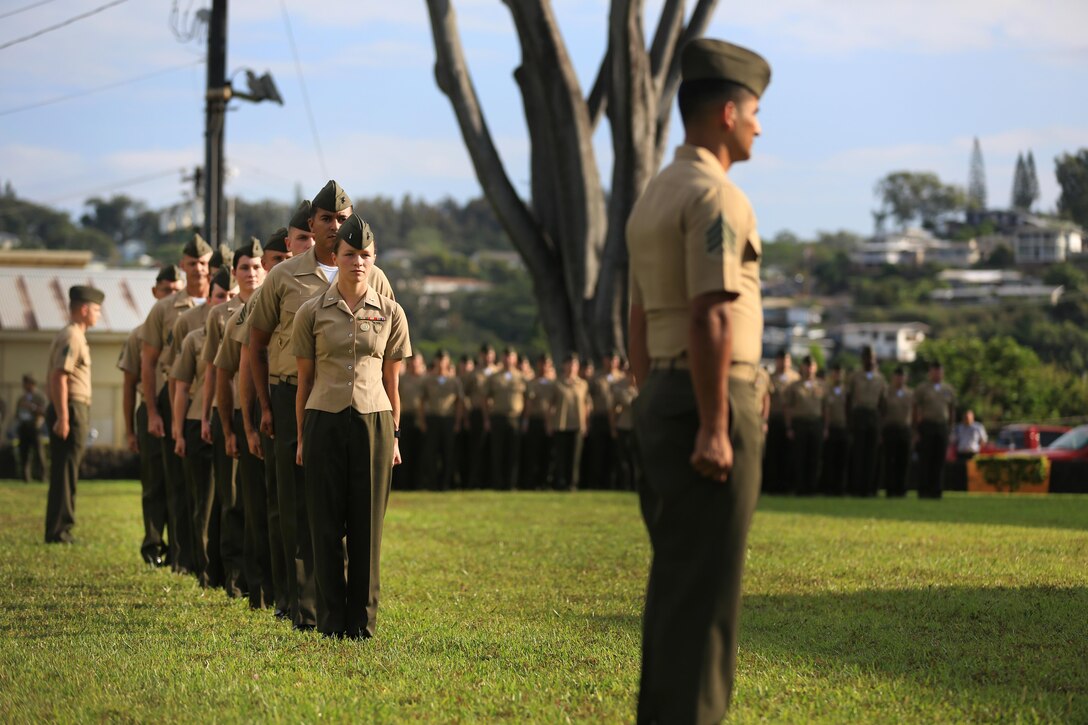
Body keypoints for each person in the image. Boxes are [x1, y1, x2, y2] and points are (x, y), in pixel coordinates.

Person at [625, 38, 770, 721]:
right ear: (728, 112)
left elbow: (636, 316)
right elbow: (713, 314)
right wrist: (715, 424)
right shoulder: (715, 198)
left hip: (662, 393)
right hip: (709, 397)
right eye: (756, 112)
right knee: (709, 597)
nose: (759, 127)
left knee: (676, 583)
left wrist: (649, 395)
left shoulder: (655, 195)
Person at [248, 180, 395, 631]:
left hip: (360, 406)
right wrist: (264, 408)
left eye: (340, 219)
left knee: (346, 509)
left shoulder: (374, 275)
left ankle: (337, 607)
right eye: (326, 219)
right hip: (296, 395)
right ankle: (301, 606)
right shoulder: (284, 275)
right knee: (297, 508)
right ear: (309, 224)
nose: (334, 227)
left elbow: (389, 352)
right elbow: (254, 343)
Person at [292, 213, 411, 639]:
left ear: (374, 258)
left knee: (367, 528)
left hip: (374, 423)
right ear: (335, 256)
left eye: (364, 254)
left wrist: (395, 436)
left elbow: (393, 382)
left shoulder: (392, 313)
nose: (357, 261)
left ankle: (362, 622)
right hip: (324, 420)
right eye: (349, 253)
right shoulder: (311, 311)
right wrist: (303, 437)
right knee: (324, 525)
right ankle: (330, 619)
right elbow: (303, 381)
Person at [218, 229, 290, 615]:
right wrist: (244, 427)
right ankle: (261, 590)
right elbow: (239, 371)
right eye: (274, 260)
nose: (280, 266)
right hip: (267, 410)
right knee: (259, 510)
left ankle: (292, 592)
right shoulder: (252, 308)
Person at [141, 233, 213, 574]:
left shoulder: (223, 303)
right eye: (192, 264)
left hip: (212, 401)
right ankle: (182, 557)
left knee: (210, 488)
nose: (198, 270)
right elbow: (151, 361)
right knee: (177, 482)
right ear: (183, 267)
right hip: (175, 398)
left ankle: (206, 558)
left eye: (203, 263)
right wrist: (154, 411)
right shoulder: (166, 309)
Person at [171, 269, 236, 588]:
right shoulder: (193, 339)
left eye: (231, 295)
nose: (225, 301)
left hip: (230, 421)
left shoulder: (242, 330)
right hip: (199, 422)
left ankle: (226, 570)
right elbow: (181, 387)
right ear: (209, 299)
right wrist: (178, 430)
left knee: (230, 500)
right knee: (204, 503)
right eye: (220, 295)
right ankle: (204, 568)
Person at [117, 265, 183, 565]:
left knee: (179, 482)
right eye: (165, 290)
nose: (170, 294)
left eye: (175, 289)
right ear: (155, 292)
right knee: (154, 482)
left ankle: (179, 550)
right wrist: (131, 430)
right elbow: (130, 385)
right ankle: (153, 545)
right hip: (151, 410)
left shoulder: (188, 325)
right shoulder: (138, 334)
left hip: (180, 408)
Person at [44, 284, 104, 544]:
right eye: (97, 309)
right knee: (66, 471)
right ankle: (59, 530)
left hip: (71, 407)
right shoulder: (73, 336)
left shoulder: (74, 334)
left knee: (66, 470)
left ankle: (59, 528)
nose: (99, 314)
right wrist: (63, 416)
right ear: (84, 309)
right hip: (70, 407)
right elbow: (59, 376)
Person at [420, 350, 465, 491]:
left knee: (448, 453)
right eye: (438, 360)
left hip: (448, 419)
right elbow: (421, 401)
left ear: (448, 361)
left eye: (443, 360)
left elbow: (459, 403)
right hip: (433, 418)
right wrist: (422, 421)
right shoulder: (428, 380)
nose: (440, 363)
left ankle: (446, 483)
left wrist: (458, 422)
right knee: (431, 453)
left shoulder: (454, 381)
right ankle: (432, 483)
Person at [546, 352, 591, 492]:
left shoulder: (583, 384)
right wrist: (549, 423)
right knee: (561, 456)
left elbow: (587, 405)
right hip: (561, 424)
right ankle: (560, 482)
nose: (572, 367)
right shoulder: (557, 383)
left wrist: (585, 422)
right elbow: (550, 405)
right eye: (569, 363)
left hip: (577, 424)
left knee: (574, 457)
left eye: (574, 364)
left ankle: (573, 484)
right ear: (564, 366)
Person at [846, 345, 887, 497]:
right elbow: (848, 400)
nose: (870, 360)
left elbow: (883, 404)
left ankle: (870, 488)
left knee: (872, 455)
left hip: (873, 416)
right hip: (859, 415)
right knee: (858, 454)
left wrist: (881, 424)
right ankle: (856, 488)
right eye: (867, 357)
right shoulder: (855, 377)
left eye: (872, 357)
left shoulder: (880, 378)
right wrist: (849, 421)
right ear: (863, 359)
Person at [483, 347, 526, 490]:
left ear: (514, 359)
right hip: (498, 417)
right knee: (497, 452)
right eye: (505, 356)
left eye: (511, 356)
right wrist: (487, 418)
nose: (508, 359)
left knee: (513, 453)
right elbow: (485, 398)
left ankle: (511, 483)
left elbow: (528, 399)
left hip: (515, 418)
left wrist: (525, 418)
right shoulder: (494, 377)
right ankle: (497, 483)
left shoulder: (521, 376)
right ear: (501, 358)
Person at [913, 361, 956, 499]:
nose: (937, 374)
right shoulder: (922, 388)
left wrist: (950, 428)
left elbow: (951, 410)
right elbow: (916, 409)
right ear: (930, 373)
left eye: (939, 371)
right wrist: (916, 429)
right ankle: (923, 490)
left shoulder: (948, 389)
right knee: (926, 459)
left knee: (939, 460)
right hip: (927, 426)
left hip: (942, 426)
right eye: (934, 371)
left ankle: (936, 490)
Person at [785, 355, 824, 496]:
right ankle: (799, 488)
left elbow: (826, 408)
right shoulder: (794, 386)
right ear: (802, 367)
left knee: (814, 457)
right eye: (807, 365)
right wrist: (789, 427)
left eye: (812, 366)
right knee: (799, 457)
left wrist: (825, 427)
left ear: (815, 367)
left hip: (816, 423)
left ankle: (812, 488)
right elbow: (788, 407)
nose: (809, 369)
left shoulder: (821, 385)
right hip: (800, 423)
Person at [586, 351, 625, 489]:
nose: (611, 362)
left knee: (615, 452)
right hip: (600, 416)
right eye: (609, 359)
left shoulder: (621, 378)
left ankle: (613, 483)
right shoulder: (596, 378)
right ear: (604, 360)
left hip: (618, 418)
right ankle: (598, 482)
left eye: (614, 359)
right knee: (598, 452)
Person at [764, 349, 798, 493]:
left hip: (789, 421)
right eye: (781, 359)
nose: (784, 362)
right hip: (774, 418)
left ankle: (785, 486)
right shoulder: (770, 378)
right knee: (772, 454)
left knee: (788, 454)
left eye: (786, 359)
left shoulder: (795, 378)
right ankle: (771, 485)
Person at [519, 354, 555, 490]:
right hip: (535, 420)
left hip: (550, 422)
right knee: (532, 453)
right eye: (542, 363)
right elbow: (528, 403)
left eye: (547, 364)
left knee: (547, 454)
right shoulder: (532, 382)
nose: (545, 366)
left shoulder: (553, 384)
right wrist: (526, 421)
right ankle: (531, 482)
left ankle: (545, 481)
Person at [393, 354, 426, 490]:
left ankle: (417, 483)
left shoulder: (425, 380)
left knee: (419, 452)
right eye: (412, 363)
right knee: (404, 451)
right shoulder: (403, 379)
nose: (414, 365)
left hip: (420, 418)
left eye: (417, 363)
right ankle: (402, 483)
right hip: (405, 417)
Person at [881, 366, 913, 497]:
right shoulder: (886, 392)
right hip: (890, 429)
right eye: (897, 376)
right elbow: (881, 411)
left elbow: (915, 413)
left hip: (904, 429)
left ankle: (901, 489)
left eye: (902, 376)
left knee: (903, 461)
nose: (899, 379)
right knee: (890, 461)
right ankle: (890, 489)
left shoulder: (910, 394)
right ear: (893, 378)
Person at [609, 367, 640, 492]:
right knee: (624, 460)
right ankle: (626, 485)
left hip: (638, 428)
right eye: (630, 374)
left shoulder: (642, 388)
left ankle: (636, 484)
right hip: (624, 427)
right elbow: (613, 410)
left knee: (636, 459)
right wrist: (613, 427)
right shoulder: (621, 390)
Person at [822, 363, 849, 495]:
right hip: (831, 428)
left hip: (843, 427)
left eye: (840, 373)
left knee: (841, 460)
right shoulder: (827, 390)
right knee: (830, 460)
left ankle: (840, 488)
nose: (838, 376)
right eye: (836, 373)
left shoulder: (846, 391)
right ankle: (828, 487)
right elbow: (825, 409)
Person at [15, 374, 48, 483]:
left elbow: (44, 411)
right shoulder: (21, 398)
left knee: (39, 453)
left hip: (35, 427)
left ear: (32, 384)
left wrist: (32, 407)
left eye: (27, 383)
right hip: (24, 428)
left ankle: (42, 477)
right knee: (24, 453)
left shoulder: (39, 397)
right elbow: (17, 413)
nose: (25, 386)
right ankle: (26, 477)